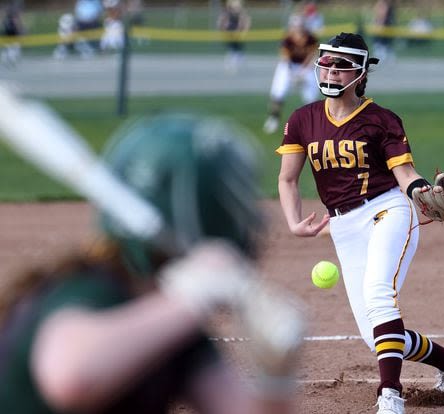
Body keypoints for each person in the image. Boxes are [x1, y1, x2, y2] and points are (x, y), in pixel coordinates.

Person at [0, 112, 304, 414]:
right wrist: (188, 302)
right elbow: (72, 379)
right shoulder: (92, 290)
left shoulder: (175, 327)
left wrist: (276, 378)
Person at [275, 32, 444, 414]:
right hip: (344, 226)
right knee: (377, 337)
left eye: (341, 65)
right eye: (326, 63)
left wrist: (422, 190)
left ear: (361, 72)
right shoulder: (303, 119)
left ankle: (390, 395)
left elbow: (405, 174)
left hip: (387, 210)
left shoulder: (381, 120)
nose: (330, 71)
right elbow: (287, 179)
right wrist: (293, 222)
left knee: (379, 294)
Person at [263, 14, 319, 134]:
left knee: (311, 96)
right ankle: (273, 118)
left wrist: (302, 72)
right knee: (278, 92)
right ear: (292, 26)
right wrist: (292, 75)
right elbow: (285, 59)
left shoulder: (310, 38)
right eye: (295, 26)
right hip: (288, 66)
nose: (298, 28)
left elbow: (312, 56)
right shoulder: (287, 38)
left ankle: (311, 122)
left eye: (300, 25)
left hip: (305, 67)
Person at [217, 0, 251, 74]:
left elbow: (246, 21)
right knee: (233, 49)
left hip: (237, 33)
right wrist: (223, 29)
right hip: (231, 33)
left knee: (238, 49)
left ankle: (237, 63)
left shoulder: (240, 14)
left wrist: (244, 31)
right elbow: (221, 22)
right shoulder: (227, 13)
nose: (236, 7)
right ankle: (232, 64)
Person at [1, 3, 24, 68]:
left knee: (13, 49)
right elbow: (12, 29)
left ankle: (11, 61)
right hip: (9, 38)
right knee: (10, 50)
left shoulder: (8, 20)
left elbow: (16, 29)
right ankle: (10, 61)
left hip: (11, 38)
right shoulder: (8, 21)